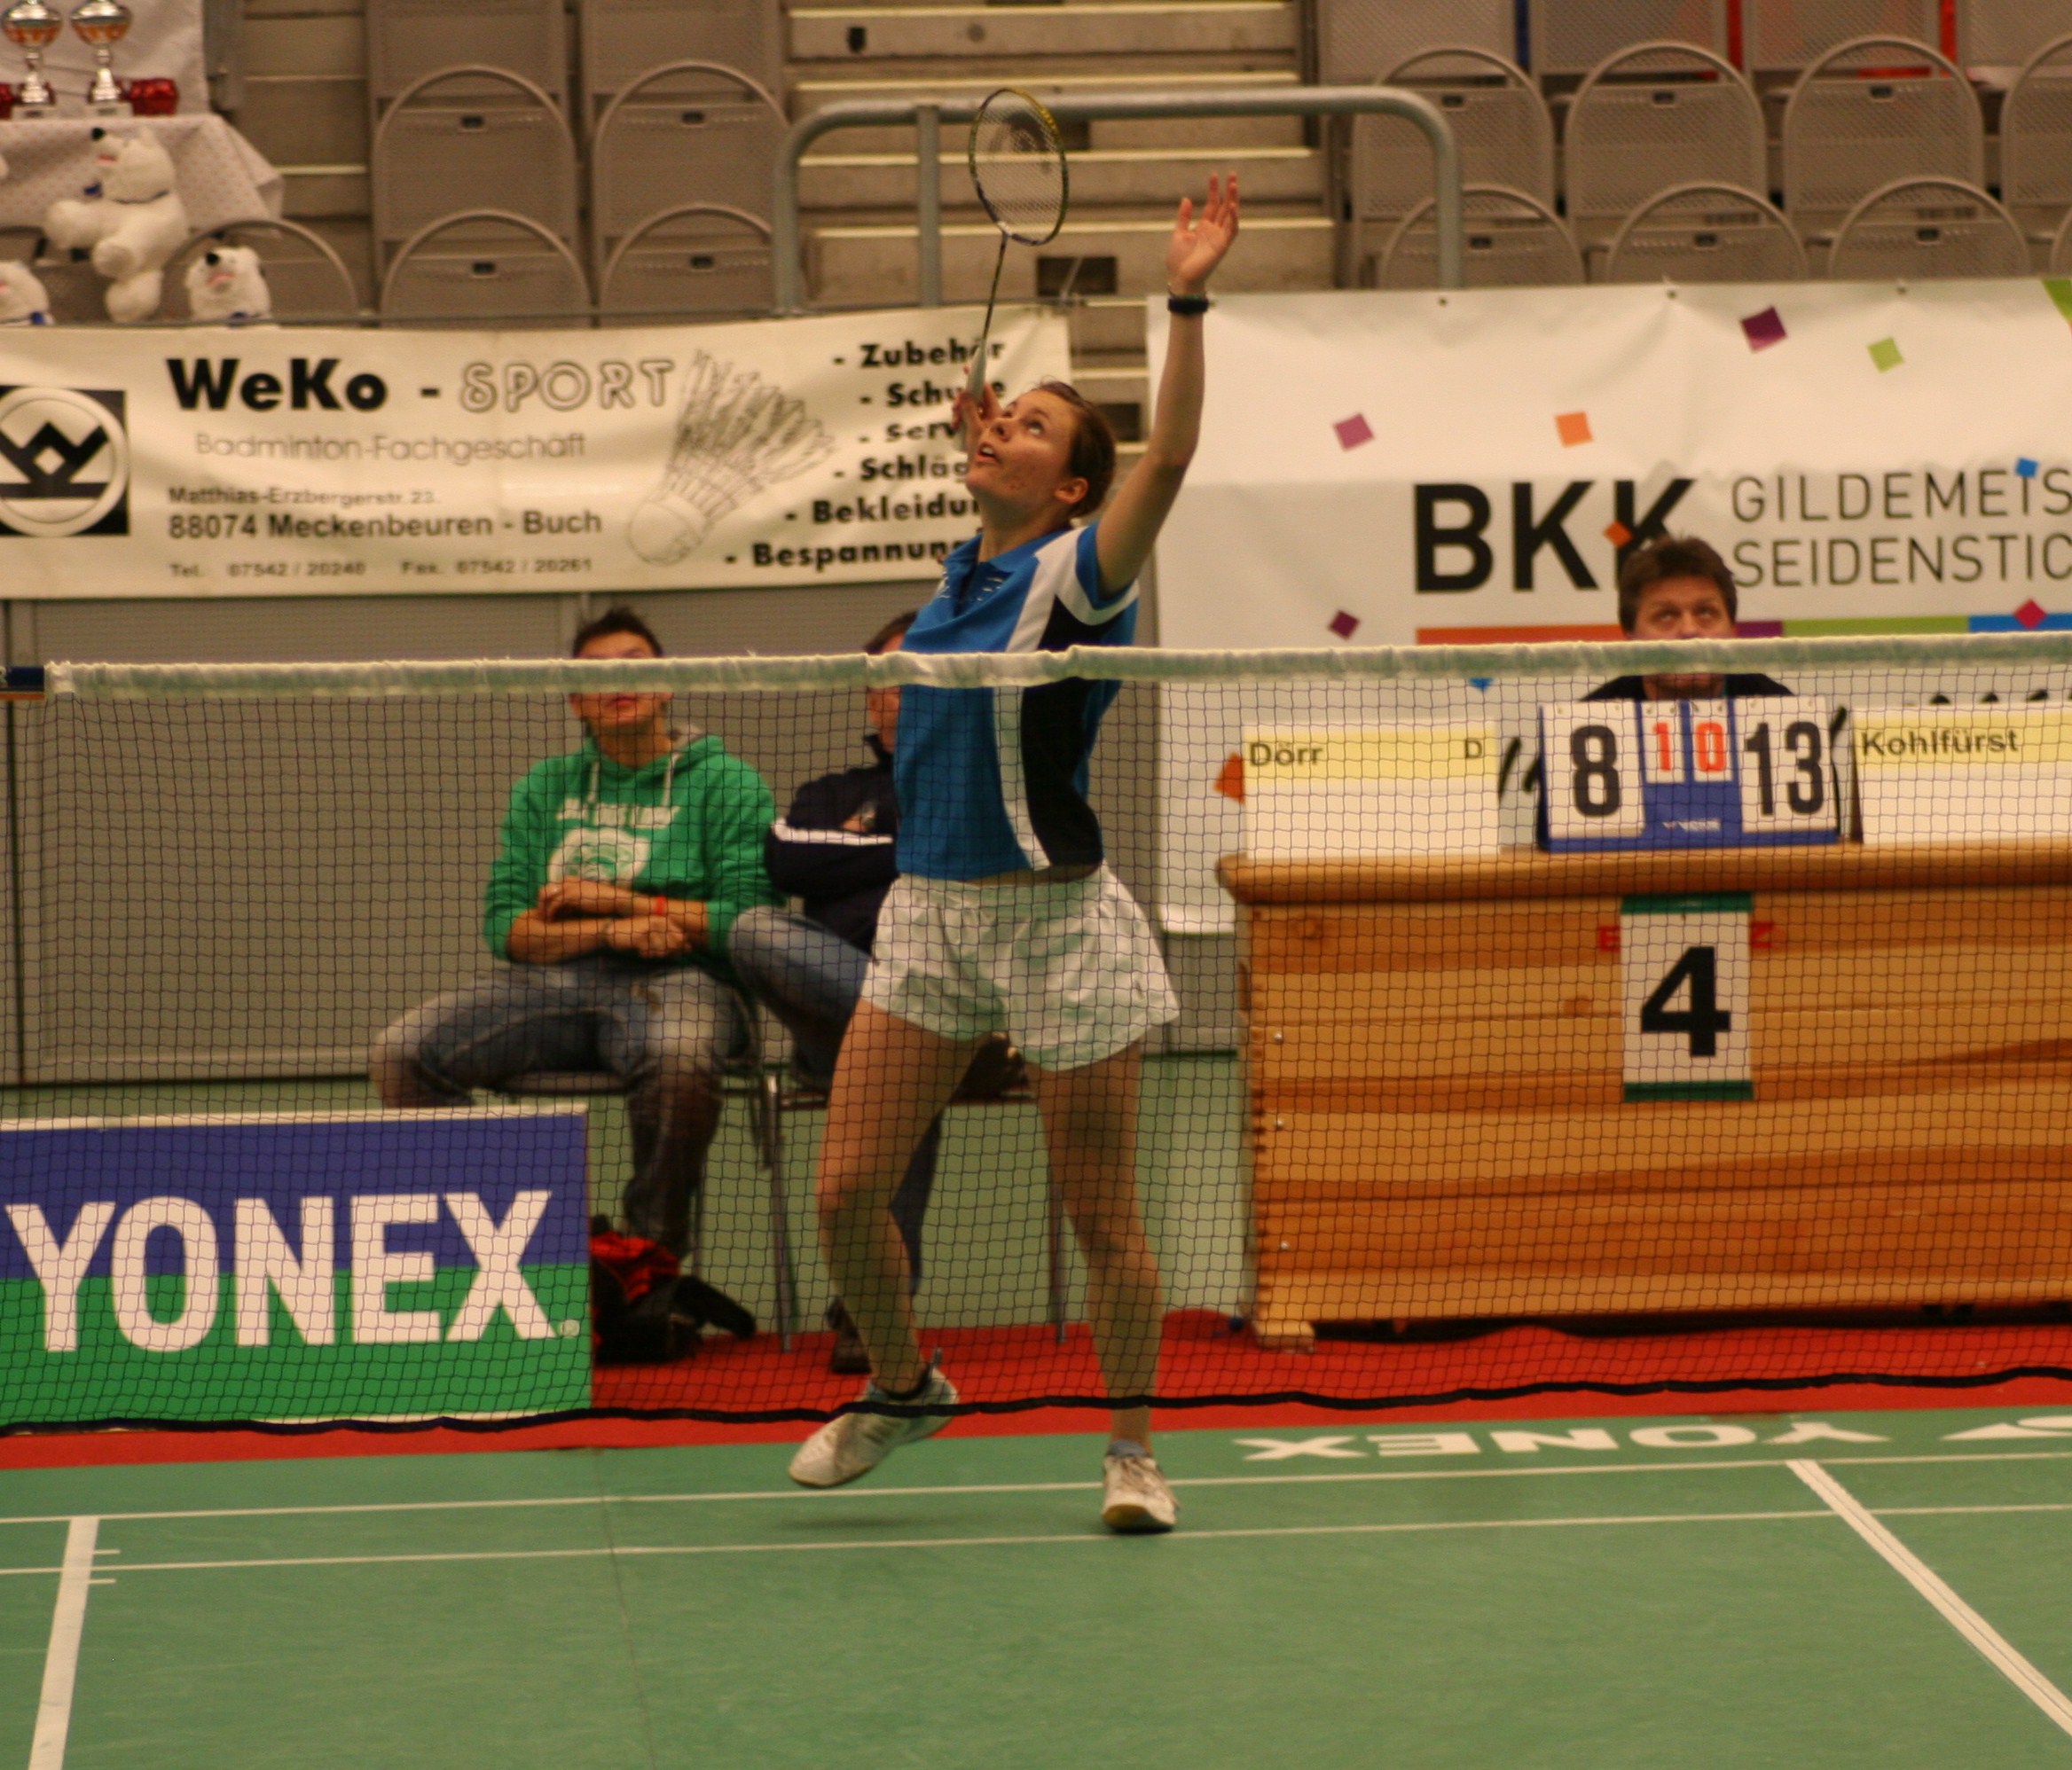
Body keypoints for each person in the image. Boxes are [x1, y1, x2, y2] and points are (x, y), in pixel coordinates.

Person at [787, 174, 1241, 1534]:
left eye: (1033, 428)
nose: (1002, 431)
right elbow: (995, 500)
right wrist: (981, 440)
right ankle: (905, 1383)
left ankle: (1132, 1452)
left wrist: (1186, 298)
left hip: (1057, 928)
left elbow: (1170, 460)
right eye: (1003, 420)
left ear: (1077, 486)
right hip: (929, 917)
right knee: (844, 1190)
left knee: (1102, 1215)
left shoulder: (1081, 577)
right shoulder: (961, 575)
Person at [371, 606, 781, 1272]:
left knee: (679, 1059)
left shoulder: (728, 783)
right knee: (403, 1055)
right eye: (596, 673)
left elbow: (748, 920)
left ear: (669, 684)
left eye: (634, 666)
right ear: (575, 702)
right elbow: (508, 928)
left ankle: (649, 1263)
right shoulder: (544, 788)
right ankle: (533, 1245)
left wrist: (624, 901)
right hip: (555, 983)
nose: (617, 682)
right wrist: (618, 928)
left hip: (689, 984)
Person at [731, 612, 1023, 1375]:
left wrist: (863, 853)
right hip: (846, 1018)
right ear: (871, 698)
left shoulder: (987, 784)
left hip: (946, 991)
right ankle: (944, 1038)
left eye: (926, 673)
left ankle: (870, 1312)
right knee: (756, 930)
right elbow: (788, 860)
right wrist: (914, 850)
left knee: (904, 1059)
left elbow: (995, 869)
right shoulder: (830, 792)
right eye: (894, 677)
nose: (909, 689)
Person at [1587, 536, 1788, 703]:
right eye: (1665, 615)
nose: (1689, 630)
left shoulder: (1778, 707)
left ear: (1732, 630)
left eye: (1706, 613)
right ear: (1631, 638)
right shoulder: (1592, 716)